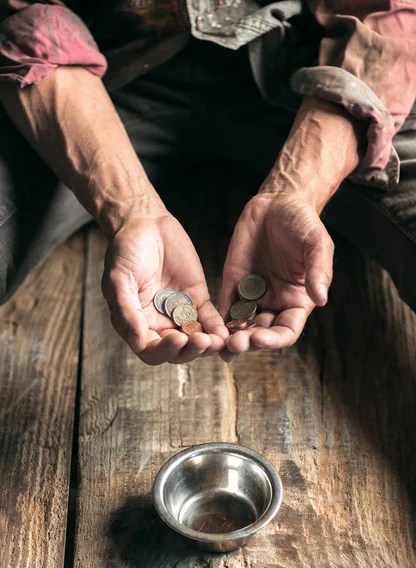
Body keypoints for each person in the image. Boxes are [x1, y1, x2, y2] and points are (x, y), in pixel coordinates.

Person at [0, 1, 414, 365]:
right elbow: (24, 17)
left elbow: (387, 18)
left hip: (314, 74)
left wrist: (296, 189)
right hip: (98, 76)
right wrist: (132, 209)